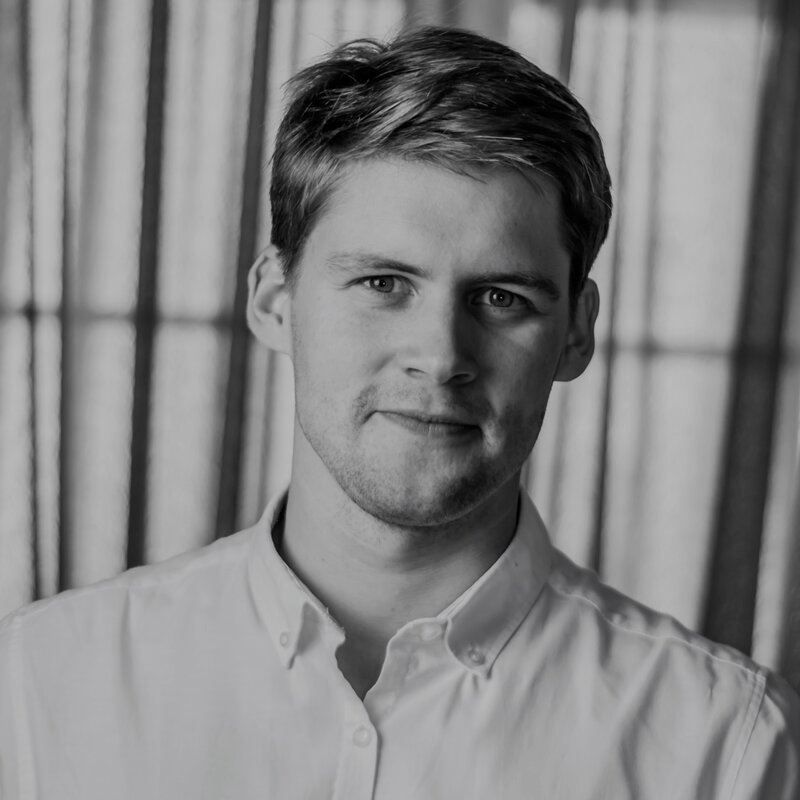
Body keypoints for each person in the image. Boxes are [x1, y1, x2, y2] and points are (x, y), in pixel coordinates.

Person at [1, 25, 798, 800]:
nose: (441, 355)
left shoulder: (727, 747)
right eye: (383, 283)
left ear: (576, 332)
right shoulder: (38, 687)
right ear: (275, 300)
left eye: (501, 298)